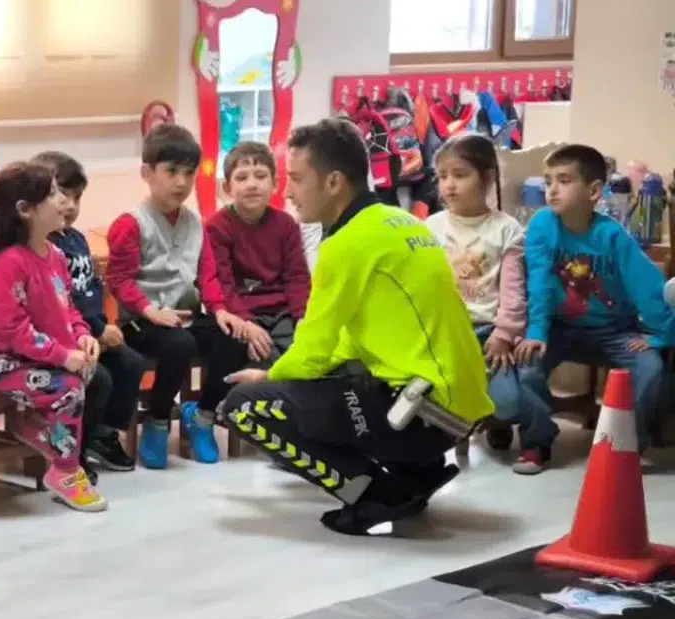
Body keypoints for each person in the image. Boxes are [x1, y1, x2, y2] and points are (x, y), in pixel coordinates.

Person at [220, 118, 494, 536]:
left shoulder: (345, 245)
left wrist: (270, 376)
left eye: (296, 179)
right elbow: (349, 339)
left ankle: (374, 494)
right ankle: (416, 472)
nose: (287, 192)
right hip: (459, 407)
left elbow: (313, 350)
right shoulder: (401, 221)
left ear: (333, 183)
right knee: (326, 377)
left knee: (243, 406)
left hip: (422, 414)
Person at [515, 144, 674, 466]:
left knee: (651, 369)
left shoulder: (612, 235)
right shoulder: (542, 226)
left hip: (615, 330)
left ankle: (628, 445)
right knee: (527, 368)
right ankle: (537, 442)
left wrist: (661, 335)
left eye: (563, 180)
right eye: (548, 181)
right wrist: (537, 331)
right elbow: (539, 282)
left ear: (593, 191)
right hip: (561, 329)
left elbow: (646, 286)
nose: (552, 190)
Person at [0, 162, 107, 511]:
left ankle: (31, 428)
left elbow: (68, 307)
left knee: (88, 371)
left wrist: (82, 336)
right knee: (69, 387)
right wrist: (63, 355)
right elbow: (13, 330)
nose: (64, 202)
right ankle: (65, 469)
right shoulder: (8, 264)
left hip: (34, 357)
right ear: (26, 210)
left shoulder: (55, 255)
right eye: (53, 194)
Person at [104, 123, 243, 469]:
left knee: (233, 337)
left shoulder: (196, 223)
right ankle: (158, 418)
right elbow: (119, 280)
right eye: (171, 172)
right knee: (179, 344)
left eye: (189, 173)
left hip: (185, 318)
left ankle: (203, 416)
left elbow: (207, 276)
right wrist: (150, 310)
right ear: (147, 173)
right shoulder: (131, 223)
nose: (181, 182)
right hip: (142, 323)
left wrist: (220, 310)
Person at [425, 133, 555, 473]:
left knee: (509, 401)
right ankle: (459, 429)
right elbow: (424, 287)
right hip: (447, 333)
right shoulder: (430, 228)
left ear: (487, 177)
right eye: (442, 176)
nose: (449, 185)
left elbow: (513, 291)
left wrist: (504, 334)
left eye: (460, 175)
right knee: (430, 394)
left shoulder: (506, 229)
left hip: (489, 332)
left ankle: (514, 429)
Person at [32, 150, 144, 474]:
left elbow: (91, 288)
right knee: (99, 380)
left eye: (77, 197)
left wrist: (101, 328)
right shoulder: (40, 245)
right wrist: (96, 329)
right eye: (62, 195)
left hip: (89, 334)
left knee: (130, 364)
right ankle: (74, 451)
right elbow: (60, 301)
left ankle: (102, 435)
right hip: (60, 342)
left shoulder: (77, 240)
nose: (70, 205)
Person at [204, 142, 311, 462]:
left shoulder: (286, 225)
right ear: (227, 188)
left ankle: (301, 430)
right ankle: (272, 434)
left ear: (275, 183)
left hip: (282, 311)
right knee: (264, 354)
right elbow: (224, 284)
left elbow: (297, 278)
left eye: (261, 176)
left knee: (300, 353)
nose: (252, 184)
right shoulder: (217, 226)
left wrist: (303, 317)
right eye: (242, 177)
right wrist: (247, 324)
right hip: (242, 314)